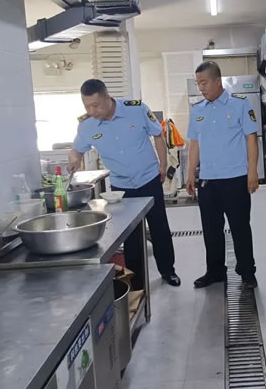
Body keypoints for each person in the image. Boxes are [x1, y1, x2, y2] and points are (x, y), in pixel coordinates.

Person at [68, 79, 181, 287]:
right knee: (131, 235)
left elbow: (158, 134)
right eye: (87, 106)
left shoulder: (136, 109)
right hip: (121, 187)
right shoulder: (86, 125)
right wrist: (74, 159)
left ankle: (168, 270)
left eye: (95, 105)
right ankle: (136, 282)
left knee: (159, 228)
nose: (92, 111)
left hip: (148, 178)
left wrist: (163, 165)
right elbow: (77, 150)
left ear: (107, 98)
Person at [186, 61, 259, 290]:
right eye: (198, 84)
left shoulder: (239, 104)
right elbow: (194, 144)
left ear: (217, 81)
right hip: (208, 180)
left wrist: (253, 170)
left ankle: (247, 272)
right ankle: (215, 271)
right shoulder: (197, 110)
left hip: (235, 179)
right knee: (211, 229)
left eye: (204, 83)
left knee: (240, 227)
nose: (201, 88)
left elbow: (251, 138)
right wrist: (190, 173)